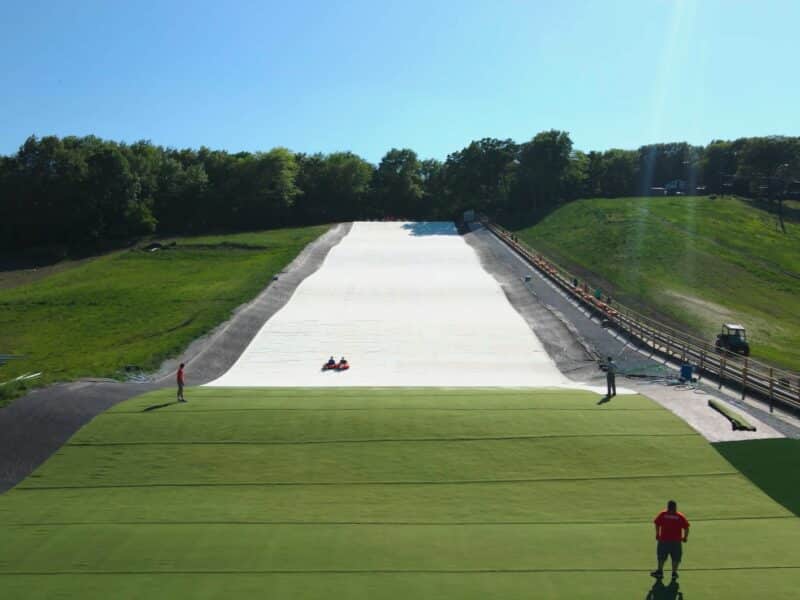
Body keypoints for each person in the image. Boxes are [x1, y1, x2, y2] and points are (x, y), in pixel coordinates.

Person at [651, 500, 690, 581]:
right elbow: (686, 527)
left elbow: (657, 523)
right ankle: (674, 573)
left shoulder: (663, 514)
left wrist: (657, 534)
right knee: (676, 557)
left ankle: (660, 571)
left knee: (661, 556)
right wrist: (685, 537)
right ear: (675, 507)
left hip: (664, 540)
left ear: (668, 507)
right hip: (676, 541)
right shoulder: (679, 516)